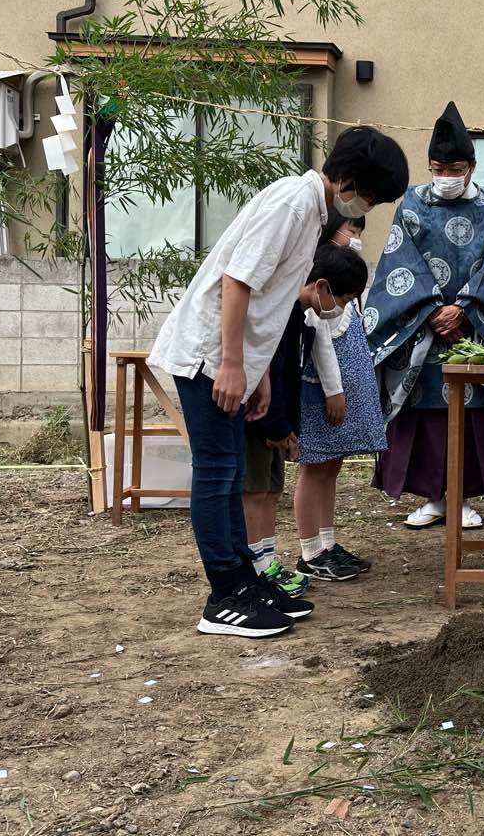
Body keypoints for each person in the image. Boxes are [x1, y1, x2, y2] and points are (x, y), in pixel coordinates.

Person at [147, 126, 409, 638]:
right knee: (219, 472)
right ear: (350, 179)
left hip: (237, 357)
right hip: (205, 354)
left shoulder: (311, 212)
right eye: (371, 195)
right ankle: (225, 595)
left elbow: (271, 301)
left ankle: (243, 582)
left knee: (231, 469)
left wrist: (260, 369)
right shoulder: (293, 204)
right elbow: (237, 281)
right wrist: (229, 362)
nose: (367, 208)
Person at [364, 102, 484, 530]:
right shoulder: (411, 203)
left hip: (474, 325)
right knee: (424, 414)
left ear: (473, 166)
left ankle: (461, 499)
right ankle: (433, 498)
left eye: (455, 168)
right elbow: (398, 265)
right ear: (430, 167)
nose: (446, 176)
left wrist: (464, 307)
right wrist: (430, 310)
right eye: (438, 168)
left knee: (473, 410)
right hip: (422, 328)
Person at [243, 239, 369, 595]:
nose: (341, 308)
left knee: (269, 490)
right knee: (253, 492)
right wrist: (275, 426)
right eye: (342, 300)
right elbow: (268, 375)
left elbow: (290, 381)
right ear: (322, 286)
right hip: (258, 418)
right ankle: (258, 569)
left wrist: (288, 428)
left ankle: (268, 564)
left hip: (277, 421)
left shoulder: (298, 318)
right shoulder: (277, 317)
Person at [292, 216, 386, 582]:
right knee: (314, 466)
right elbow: (322, 347)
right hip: (323, 390)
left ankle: (327, 542)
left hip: (344, 388)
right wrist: (334, 391)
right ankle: (309, 550)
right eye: (351, 230)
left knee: (332, 465)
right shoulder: (316, 297)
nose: (355, 238)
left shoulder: (342, 282)